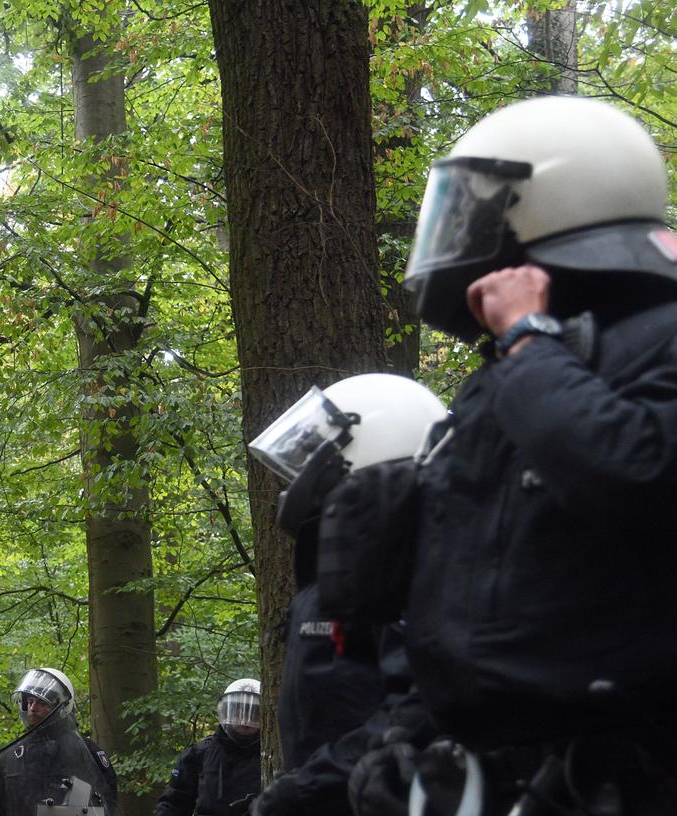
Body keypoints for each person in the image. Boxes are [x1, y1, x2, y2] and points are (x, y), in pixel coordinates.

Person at [354, 95, 677, 812]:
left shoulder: (649, 337)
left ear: (558, 196)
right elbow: (455, 587)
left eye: (474, 208)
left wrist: (529, 339)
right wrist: (409, 735)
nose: (459, 233)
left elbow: (638, 469)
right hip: (515, 777)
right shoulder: (508, 377)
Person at [244, 375, 446, 815]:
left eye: (315, 461)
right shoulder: (345, 575)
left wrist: (307, 788)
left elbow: (419, 709)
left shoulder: (413, 572)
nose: (297, 483)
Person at [0, 667, 118, 816]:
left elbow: (108, 802)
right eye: (30, 702)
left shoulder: (89, 752)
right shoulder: (10, 757)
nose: (33, 708)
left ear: (61, 706)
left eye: (41, 702)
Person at [155, 679, 261, 816]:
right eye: (237, 713)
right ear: (226, 711)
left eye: (253, 715)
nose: (244, 722)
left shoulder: (274, 755)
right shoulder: (200, 753)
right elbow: (173, 803)